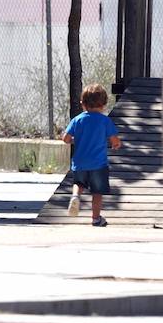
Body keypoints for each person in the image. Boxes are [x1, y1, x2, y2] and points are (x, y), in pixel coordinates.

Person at [63, 83, 121, 227]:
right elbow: (114, 139)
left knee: (79, 183)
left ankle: (75, 196)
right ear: (103, 104)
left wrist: (74, 140)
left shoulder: (77, 120)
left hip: (80, 163)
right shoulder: (105, 121)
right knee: (97, 192)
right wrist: (116, 144)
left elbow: (66, 139)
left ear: (83, 103)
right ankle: (96, 218)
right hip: (98, 164)